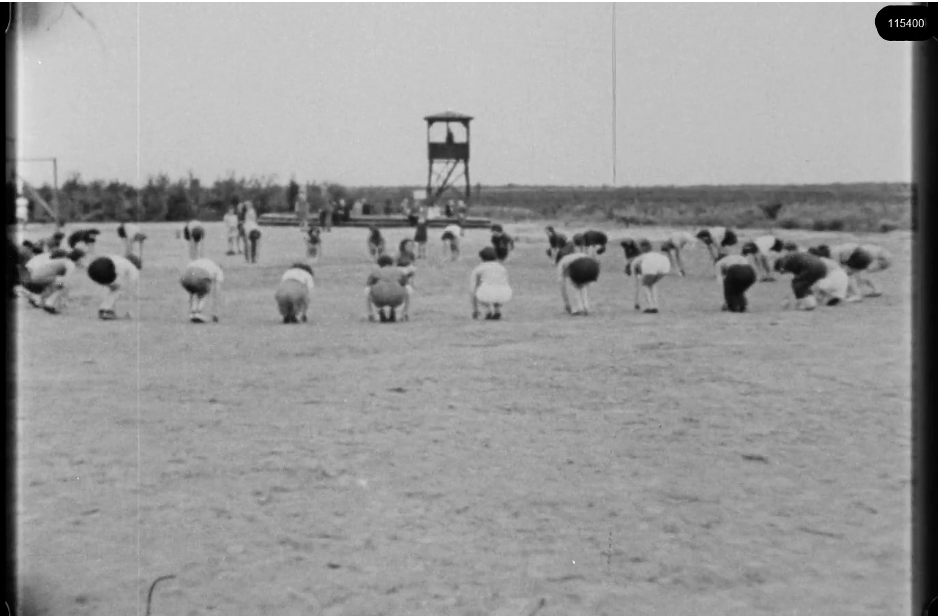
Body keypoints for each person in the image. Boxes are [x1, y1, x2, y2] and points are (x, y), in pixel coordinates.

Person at [21, 248, 85, 314]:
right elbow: (66, 279)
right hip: (39, 278)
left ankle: (39, 301)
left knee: (56, 284)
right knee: (63, 285)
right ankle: (49, 305)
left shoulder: (63, 260)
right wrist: (61, 287)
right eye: (82, 258)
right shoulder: (70, 264)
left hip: (35, 276)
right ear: (78, 258)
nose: (82, 261)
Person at [86, 253, 142, 320]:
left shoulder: (119, 258)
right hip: (105, 269)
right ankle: (106, 309)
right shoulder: (133, 268)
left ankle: (105, 309)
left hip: (93, 268)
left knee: (114, 288)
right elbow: (131, 291)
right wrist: (130, 311)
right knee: (119, 289)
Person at [556, 242, 600, 316]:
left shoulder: (563, 262)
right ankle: (581, 308)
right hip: (585, 266)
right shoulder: (567, 262)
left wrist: (567, 303)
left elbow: (562, 284)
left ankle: (581, 308)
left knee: (578, 287)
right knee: (578, 287)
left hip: (581, 266)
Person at [470, 246, 513, 320]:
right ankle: (497, 310)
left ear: (481, 258)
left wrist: (475, 309)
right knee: (495, 289)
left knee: (479, 291)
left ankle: (489, 310)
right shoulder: (501, 267)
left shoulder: (479, 268)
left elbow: (474, 287)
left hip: (487, 293)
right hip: (505, 293)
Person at [365, 254, 410, 322]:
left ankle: (372, 313)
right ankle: (404, 313)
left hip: (379, 298)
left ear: (379, 264)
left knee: (368, 290)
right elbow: (405, 283)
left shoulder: (376, 272)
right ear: (391, 263)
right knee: (407, 288)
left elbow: (368, 284)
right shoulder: (399, 271)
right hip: (397, 298)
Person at [179, 257, 224, 323]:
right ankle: (198, 311)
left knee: (194, 290)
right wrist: (215, 313)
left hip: (184, 279)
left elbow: (189, 273)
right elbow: (216, 291)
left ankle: (192, 311)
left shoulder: (203, 261)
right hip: (199, 277)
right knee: (205, 289)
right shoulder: (218, 270)